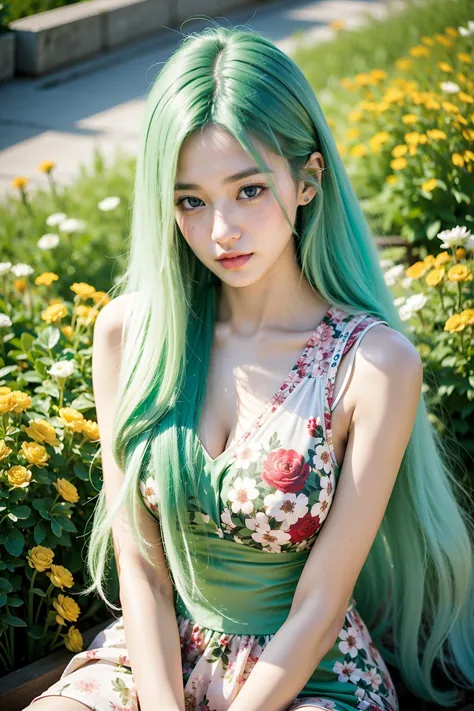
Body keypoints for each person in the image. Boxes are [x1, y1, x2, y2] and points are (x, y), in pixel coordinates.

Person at [27, 24, 474, 711]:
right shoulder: (130, 333)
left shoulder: (372, 363)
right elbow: (141, 567)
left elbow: (322, 602)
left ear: (306, 181)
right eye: (190, 201)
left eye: (248, 190)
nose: (221, 232)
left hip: (307, 674)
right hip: (156, 654)